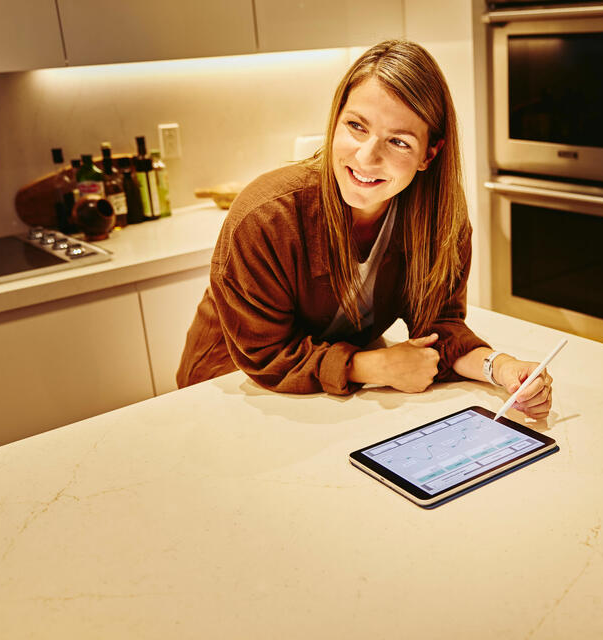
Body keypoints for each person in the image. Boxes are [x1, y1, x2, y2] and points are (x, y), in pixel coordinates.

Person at [176, 40, 554, 419]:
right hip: (233, 389)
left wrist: (501, 368)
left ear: (429, 154)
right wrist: (375, 366)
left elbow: (441, 328)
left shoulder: (441, 221)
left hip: (339, 399)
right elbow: (267, 356)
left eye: (398, 142)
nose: (367, 157)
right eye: (356, 126)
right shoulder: (265, 217)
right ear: (335, 119)